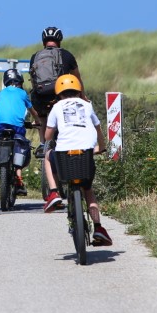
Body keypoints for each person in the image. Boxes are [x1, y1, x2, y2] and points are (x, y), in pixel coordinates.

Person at [42, 74, 112, 247]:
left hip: (64, 154)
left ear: (59, 92)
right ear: (79, 90)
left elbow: (47, 135)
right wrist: (101, 147)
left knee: (48, 156)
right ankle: (98, 227)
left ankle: (53, 193)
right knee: (88, 190)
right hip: (85, 153)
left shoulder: (57, 107)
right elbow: (98, 128)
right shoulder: (87, 106)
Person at [29, 26, 83, 192]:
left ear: (44, 41)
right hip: (59, 97)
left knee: (42, 117)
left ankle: (43, 143)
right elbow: (77, 78)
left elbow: (33, 80)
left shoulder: (35, 57)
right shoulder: (66, 55)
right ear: (59, 40)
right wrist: (83, 97)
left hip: (40, 96)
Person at [0, 68, 41, 196]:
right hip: (17, 127)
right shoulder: (23, 94)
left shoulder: (2, 92)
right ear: (20, 81)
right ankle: (19, 179)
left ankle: (0, 164)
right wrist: (37, 121)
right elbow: (33, 112)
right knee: (19, 143)